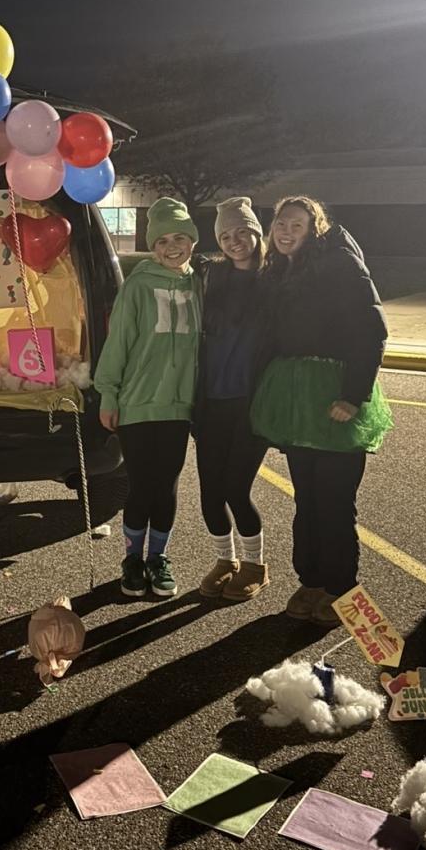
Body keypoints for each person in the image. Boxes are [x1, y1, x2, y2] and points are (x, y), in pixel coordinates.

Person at [250, 197, 392, 626]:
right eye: (281, 224)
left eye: (297, 224)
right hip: (296, 400)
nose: (286, 232)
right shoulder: (279, 271)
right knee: (307, 499)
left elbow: (372, 329)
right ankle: (311, 580)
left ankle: (340, 587)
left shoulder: (340, 263)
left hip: (334, 397)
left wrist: (353, 395)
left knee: (334, 501)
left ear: (315, 229)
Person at [94, 198, 201, 599]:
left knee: (167, 485)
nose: (172, 247)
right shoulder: (138, 286)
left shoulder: (198, 285)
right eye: (162, 241)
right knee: (141, 485)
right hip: (137, 404)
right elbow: (118, 343)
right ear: (153, 247)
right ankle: (132, 559)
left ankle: (158, 558)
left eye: (179, 238)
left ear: (192, 241)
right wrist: (109, 394)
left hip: (178, 406)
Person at [195, 197, 270, 602]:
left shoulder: (275, 280)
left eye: (242, 231)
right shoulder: (213, 278)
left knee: (236, 489)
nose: (234, 241)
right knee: (210, 493)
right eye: (225, 235)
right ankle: (226, 561)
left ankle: (256, 565)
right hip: (211, 401)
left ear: (256, 232)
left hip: (250, 403)